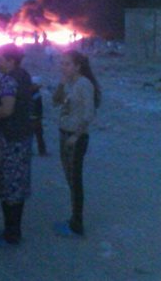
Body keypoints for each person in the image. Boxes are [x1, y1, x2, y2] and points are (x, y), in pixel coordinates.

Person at [0, 45, 33, 244]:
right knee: (16, 186)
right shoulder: (23, 75)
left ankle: (11, 232)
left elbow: (6, 109)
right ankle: (13, 230)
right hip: (20, 137)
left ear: (11, 61)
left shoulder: (9, 79)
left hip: (8, 140)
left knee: (8, 185)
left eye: (0, 59)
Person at [52, 50, 100, 237]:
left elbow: (89, 113)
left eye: (67, 64)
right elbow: (56, 102)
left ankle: (77, 223)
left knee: (75, 179)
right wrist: (61, 83)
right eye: (62, 63)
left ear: (78, 66)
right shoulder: (70, 83)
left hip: (75, 137)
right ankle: (74, 219)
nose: (63, 67)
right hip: (64, 133)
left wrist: (77, 136)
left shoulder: (84, 84)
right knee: (69, 177)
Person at [29, 76, 48, 156]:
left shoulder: (28, 93)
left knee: (32, 135)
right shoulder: (36, 95)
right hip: (35, 117)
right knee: (38, 135)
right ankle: (42, 151)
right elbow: (37, 107)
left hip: (31, 117)